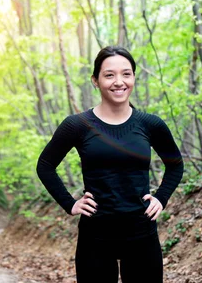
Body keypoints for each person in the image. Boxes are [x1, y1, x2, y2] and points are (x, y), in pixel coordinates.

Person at [36, 46, 184, 283]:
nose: (119, 82)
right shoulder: (77, 125)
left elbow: (175, 165)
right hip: (95, 237)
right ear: (95, 81)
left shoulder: (150, 124)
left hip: (141, 235)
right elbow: (45, 165)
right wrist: (70, 204)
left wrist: (161, 198)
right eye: (109, 75)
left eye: (126, 74)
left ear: (134, 77)